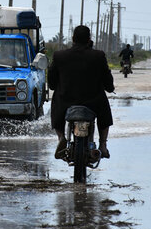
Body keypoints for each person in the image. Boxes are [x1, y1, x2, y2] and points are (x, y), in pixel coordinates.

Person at [48, 25, 114, 159]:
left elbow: (52, 82)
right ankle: (103, 145)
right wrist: (110, 88)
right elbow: (107, 79)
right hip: (93, 102)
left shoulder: (59, 55)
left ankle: (61, 137)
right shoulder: (98, 55)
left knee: (56, 103)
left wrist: (56, 86)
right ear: (89, 39)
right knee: (104, 109)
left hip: (66, 102)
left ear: (73, 39)